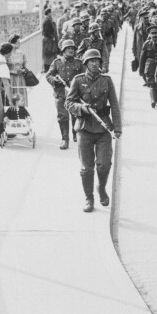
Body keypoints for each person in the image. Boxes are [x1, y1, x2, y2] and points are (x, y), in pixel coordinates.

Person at [65, 49, 122, 212]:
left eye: (97, 61)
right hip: (84, 128)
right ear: (86, 63)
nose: (95, 64)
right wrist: (81, 108)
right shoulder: (78, 80)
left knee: (104, 164)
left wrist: (117, 128)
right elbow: (68, 103)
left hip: (103, 127)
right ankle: (89, 198)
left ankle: (101, 188)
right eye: (92, 61)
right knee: (87, 167)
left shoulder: (107, 80)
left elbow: (115, 105)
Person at [47, 39, 84, 149]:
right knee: (62, 117)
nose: (71, 50)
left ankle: (75, 134)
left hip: (74, 94)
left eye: (72, 48)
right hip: (60, 93)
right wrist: (55, 80)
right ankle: (65, 139)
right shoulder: (57, 62)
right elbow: (48, 75)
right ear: (63, 50)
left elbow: (84, 77)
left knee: (76, 115)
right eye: (68, 48)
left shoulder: (79, 63)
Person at [6, 34, 30, 107]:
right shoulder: (7, 55)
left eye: (19, 42)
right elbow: (4, 70)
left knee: (21, 95)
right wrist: (12, 71)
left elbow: (25, 67)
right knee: (13, 96)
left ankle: (22, 110)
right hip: (11, 79)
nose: (19, 44)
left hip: (20, 78)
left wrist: (22, 70)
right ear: (12, 44)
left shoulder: (22, 53)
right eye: (17, 43)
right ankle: (13, 110)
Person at [41, 8, 58, 72]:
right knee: (49, 53)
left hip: (48, 40)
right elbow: (47, 32)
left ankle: (49, 68)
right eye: (50, 13)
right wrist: (52, 37)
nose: (51, 14)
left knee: (49, 54)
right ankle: (48, 68)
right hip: (48, 40)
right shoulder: (47, 21)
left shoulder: (47, 20)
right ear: (48, 13)